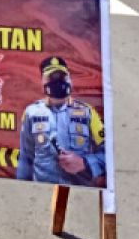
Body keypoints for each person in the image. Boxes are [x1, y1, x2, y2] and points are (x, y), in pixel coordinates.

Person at [15, 56, 106, 186]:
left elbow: (109, 155)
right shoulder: (31, 113)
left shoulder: (88, 112)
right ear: (42, 81)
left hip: (79, 191)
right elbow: (26, 158)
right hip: (42, 191)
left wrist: (85, 163)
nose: (57, 81)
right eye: (52, 77)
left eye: (61, 76)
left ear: (69, 78)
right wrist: (22, 188)